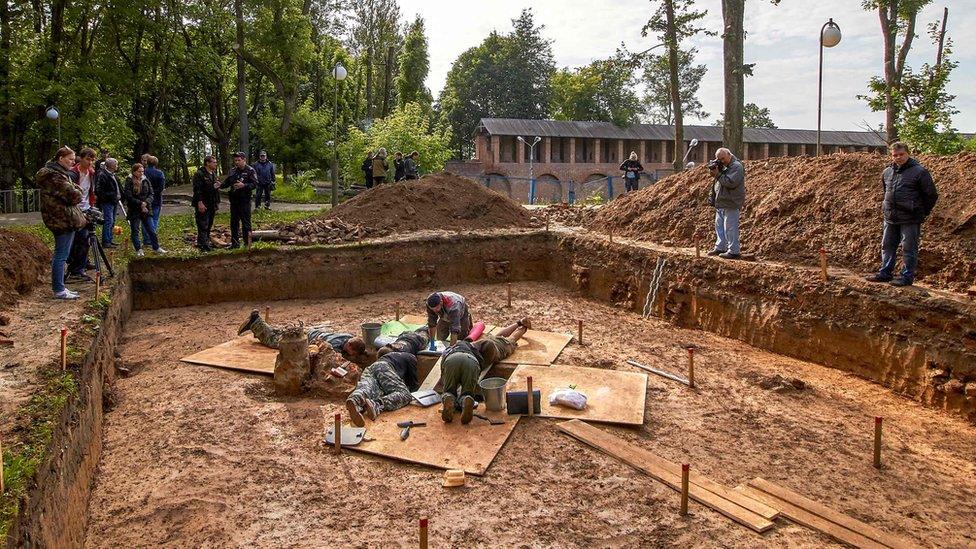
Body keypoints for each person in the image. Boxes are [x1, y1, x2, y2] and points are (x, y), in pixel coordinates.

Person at [865, 142, 939, 287]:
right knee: (887, 245)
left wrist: (921, 211)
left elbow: (931, 195)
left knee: (908, 248)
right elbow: (886, 190)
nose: (898, 158)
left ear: (908, 154)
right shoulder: (887, 172)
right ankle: (885, 273)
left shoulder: (919, 172)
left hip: (910, 217)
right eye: (895, 155)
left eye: (901, 154)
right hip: (890, 216)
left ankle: (906, 277)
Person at [439, 318, 531, 424]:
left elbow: (443, 374)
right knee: (467, 392)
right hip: (470, 360)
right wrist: (523, 328)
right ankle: (466, 399)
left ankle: (449, 398)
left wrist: (450, 385)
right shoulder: (496, 346)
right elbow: (512, 338)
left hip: (451, 359)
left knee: (449, 391)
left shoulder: (463, 346)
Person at [36, 146, 87, 299]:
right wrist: (78, 190)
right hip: (61, 219)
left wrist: (77, 189)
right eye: (70, 159)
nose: (73, 162)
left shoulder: (59, 174)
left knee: (62, 254)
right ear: (60, 159)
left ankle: (61, 288)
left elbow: (75, 190)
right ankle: (59, 289)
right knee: (61, 255)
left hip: (64, 218)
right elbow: (74, 195)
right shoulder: (54, 176)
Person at [237, 309, 371, 364]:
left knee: (280, 333)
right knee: (275, 341)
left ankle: (256, 323)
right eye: (352, 352)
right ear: (349, 345)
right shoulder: (333, 345)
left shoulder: (348, 337)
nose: (351, 354)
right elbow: (329, 358)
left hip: (311, 332)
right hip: (306, 339)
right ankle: (255, 321)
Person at [345, 351, 420, 427]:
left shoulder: (396, 355)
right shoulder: (412, 358)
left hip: (371, 368)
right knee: (405, 394)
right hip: (384, 367)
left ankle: (356, 398)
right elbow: (413, 385)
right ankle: (377, 405)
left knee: (370, 387)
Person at [707, 147, 746, 260]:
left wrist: (718, 174)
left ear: (729, 155)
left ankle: (734, 251)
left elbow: (730, 183)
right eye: (718, 159)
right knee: (719, 227)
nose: (721, 161)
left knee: (730, 227)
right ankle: (720, 247)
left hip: (731, 202)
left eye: (723, 158)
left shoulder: (736, 167)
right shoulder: (724, 166)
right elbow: (717, 183)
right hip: (722, 202)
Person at [65, 147, 97, 283]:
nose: (90, 162)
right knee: (80, 239)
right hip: (75, 210)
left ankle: (83, 262)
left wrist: (91, 205)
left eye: (92, 160)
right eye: (87, 159)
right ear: (81, 158)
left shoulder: (91, 173)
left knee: (87, 239)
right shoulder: (72, 174)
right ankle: (76, 269)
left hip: (87, 208)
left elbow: (90, 191)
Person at [123, 163, 165, 256]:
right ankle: (138, 249)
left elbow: (151, 193)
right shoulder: (129, 180)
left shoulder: (145, 180)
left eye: (142, 171)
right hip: (134, 209)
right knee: (135, 230)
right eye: (139, 171)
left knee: (151, 229)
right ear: (134, 172)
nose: (141, 173)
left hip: (146, 208)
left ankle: (156, 247)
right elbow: (128, 196)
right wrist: (140, 203)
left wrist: (146, 203)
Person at [220, 151, 258, 248]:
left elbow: (255, 184)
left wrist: (244, 185)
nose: (236, 162)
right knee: (234, 223)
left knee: (246, 223)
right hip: (234, 201)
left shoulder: (250, 170)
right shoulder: (233, 171)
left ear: (244, 160)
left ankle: (247, 243)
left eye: (238, 160)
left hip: (244, 200)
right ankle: (235, 244)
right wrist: (220, 185)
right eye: (235, 160)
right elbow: (227, 182)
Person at [192, 155, 221, 252]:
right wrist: (200, 203)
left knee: (209, 224)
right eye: (214, 162)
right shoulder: (199, 174)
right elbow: (197, 190)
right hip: (203, 202)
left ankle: (205, 242)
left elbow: (215, 190)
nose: (216, 164)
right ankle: (202, 245)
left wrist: (217, 203)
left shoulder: (213, 174)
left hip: (211, 203)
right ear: (208, 163)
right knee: (202, 224)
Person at [94, 158, 122, 248]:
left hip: (114, 201)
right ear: (111, 165)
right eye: (116, 164)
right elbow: (99, 190)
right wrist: (110, 195)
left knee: (113, 220)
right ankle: (106, 241)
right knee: (108, 220)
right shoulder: (103, 175)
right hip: (107, 202)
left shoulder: (113, 175)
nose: (117, 166)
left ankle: (110, 239)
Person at [144, 155, 166, 241]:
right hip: (156, 198)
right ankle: (152, 238)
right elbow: (161, 187)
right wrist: (154, 193)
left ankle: (146, 238)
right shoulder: (159, 173)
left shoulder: (143, 172)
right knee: (155, 219)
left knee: (145, 219)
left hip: (145, 199)